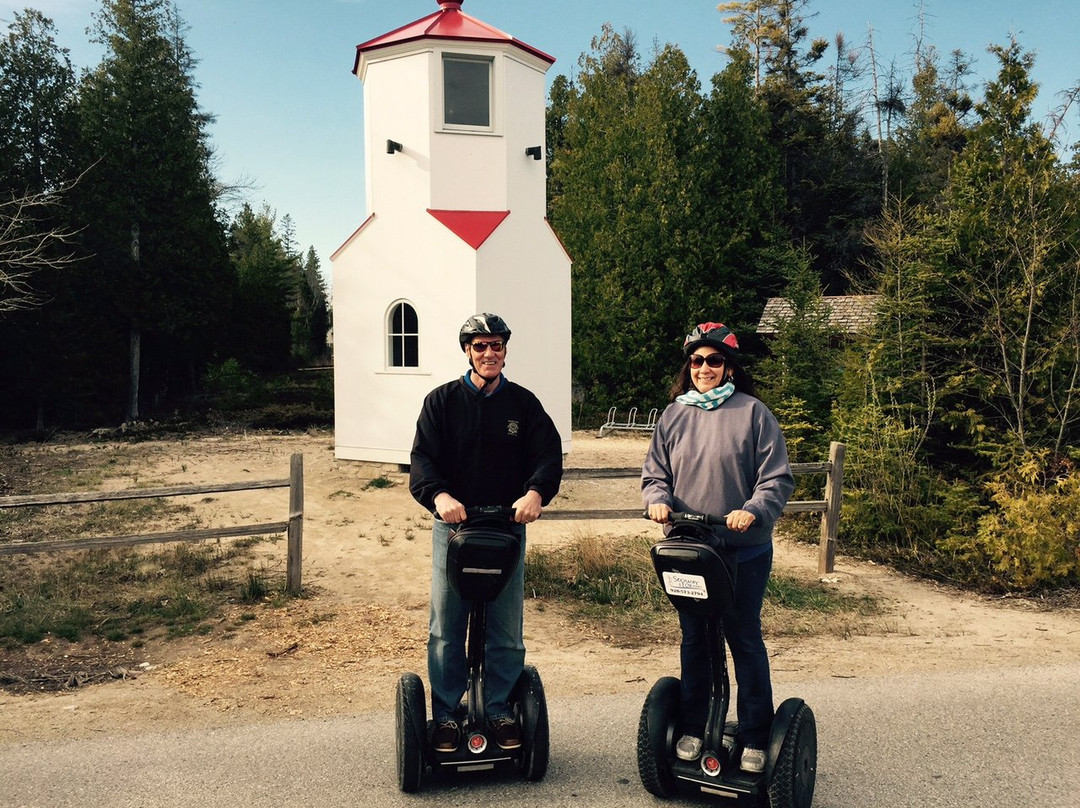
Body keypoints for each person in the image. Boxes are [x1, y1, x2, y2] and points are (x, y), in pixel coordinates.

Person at [641, 321, 794, 773]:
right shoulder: (673, 415)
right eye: (696, 361)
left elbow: (776, 478)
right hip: (690, 548)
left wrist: (753, 509)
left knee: (742, 636)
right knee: (695, 639)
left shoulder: (753, 413)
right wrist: (657, 500)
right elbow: (655, 474)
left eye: (713, 360)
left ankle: (754, 736)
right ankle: (694, 727)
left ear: (729, 367)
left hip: (742, 549)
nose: (703, 368)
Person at [409, 312, 563, 755]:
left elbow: (547, 456)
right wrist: (439, 496)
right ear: (467, 351)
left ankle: (498, 708)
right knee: (446, 625)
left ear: (505, 350)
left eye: (496, 345)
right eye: (480, 346)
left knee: (506, 627)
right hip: (454, 528)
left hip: (506, 530)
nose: (489, 353)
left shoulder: (523, 404)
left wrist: (535, 493)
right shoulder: (441, 402)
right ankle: (447, 713)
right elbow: (422, 461)